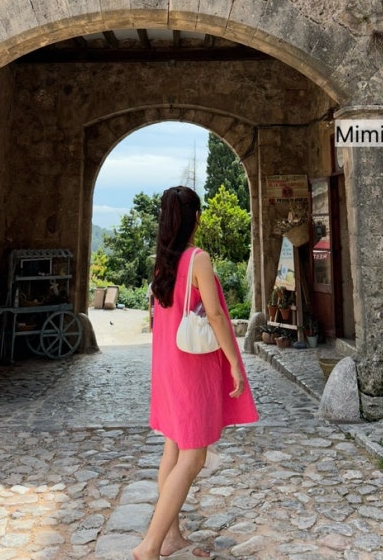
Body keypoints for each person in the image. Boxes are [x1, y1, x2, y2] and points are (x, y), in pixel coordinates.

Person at [133, 186, 258, 560]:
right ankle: (150, 545)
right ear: (196, 218)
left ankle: (170, 538)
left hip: (168, 366)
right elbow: (215, 315)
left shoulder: (164, 263)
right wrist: (234, 361)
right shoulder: (197, 259)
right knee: (194, 456)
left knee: (173, 447)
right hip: (192, 368)